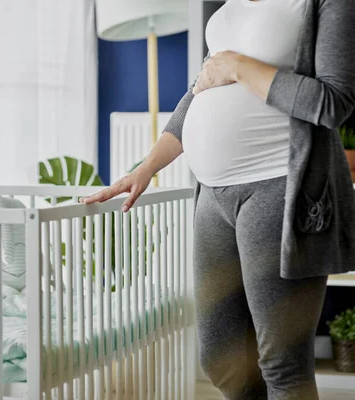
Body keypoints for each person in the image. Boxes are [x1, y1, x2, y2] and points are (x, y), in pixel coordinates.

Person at [81, 0, 355, 398]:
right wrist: (146, 168)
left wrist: (240, 66)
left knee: (282, 363)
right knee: (221, 358)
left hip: (279, 187)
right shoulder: (230, 6)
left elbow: (333, 102)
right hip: (212, 196)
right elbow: (199, 90)